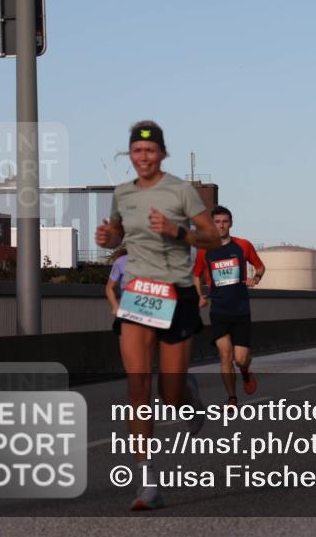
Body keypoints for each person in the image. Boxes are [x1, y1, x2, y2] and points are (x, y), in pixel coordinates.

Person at [95, 120, 222, 511]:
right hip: (138, 292)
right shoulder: (122, 194)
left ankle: (190, 397)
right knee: (137, 389)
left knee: (170, 393)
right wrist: (108, 239)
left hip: (177, 293)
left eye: (150, 151)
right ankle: (147, 482)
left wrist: (177, 232)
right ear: (130, 155)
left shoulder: (180, 191)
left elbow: (212, 237)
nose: (143, 157)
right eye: (137, 151)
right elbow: (118, 234)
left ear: (162, 154)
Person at [193, 205, 265, 406]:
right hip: (219, 310)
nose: (221, 225)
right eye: (217, 222)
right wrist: (200, 296)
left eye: (225, 221)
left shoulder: (243, 245)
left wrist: (256, 278)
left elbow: (260, 267)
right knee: (225, 355)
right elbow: (196, 275)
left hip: (241, 309)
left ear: (230, 224)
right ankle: (232, 398)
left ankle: (245, 371)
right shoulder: (204, 251)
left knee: (241, 359)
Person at [105, 245, 128, 316]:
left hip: (152, 312)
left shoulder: (156, 261)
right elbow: (109, 288)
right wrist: (115, 306)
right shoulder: (121, 262)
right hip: (127, 309)